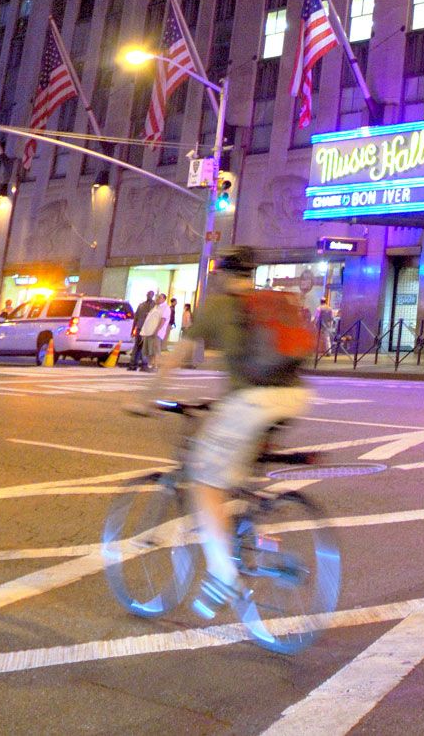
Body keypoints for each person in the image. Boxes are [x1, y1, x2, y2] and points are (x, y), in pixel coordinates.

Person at [154, 249, 313, 620]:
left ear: (223, 274)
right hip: (293, 397)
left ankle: (222, 576)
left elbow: (176, 357)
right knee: (234, 466)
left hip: (252, 401)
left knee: (204, 481)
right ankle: (251, 536)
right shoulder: (266, 303)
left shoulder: (219, 307)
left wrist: (148, 393)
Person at [140, 292, 172, 369]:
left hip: (156, 333)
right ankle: (149, 365)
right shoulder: (155, 307)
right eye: (157, 297)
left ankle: (155, 365)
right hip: (149, 332)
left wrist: (157, 331)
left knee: (155, 350)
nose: (157, 299)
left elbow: (163, 320)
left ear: (164, 299)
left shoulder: (166, 308)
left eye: (160, 297)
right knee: (149, 350)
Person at [128, 291, 158, 370]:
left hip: (148, 330)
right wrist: (133, 329)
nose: (149, 296)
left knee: (145, 348)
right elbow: (136, 318)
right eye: (148, 294)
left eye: (151, 295)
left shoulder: (155, 306)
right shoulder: (141, 305)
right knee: (137, 347)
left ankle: (143, 365)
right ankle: (133, 364)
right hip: (140, 328)